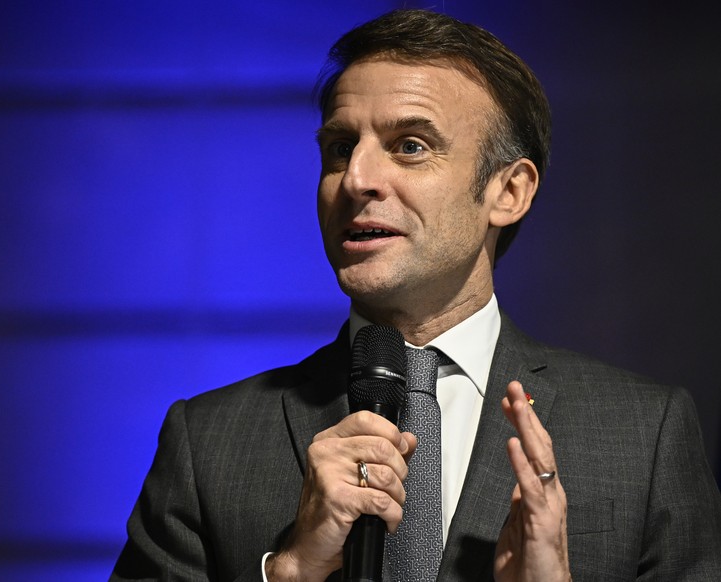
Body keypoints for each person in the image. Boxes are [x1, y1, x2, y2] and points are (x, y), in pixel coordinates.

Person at [110, 8, 721, 581]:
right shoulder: (207, 440)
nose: (356, 179)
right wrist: (291, 571)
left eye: (410, 145)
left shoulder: (646, 433)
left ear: (509, 192)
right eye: (340, 147)